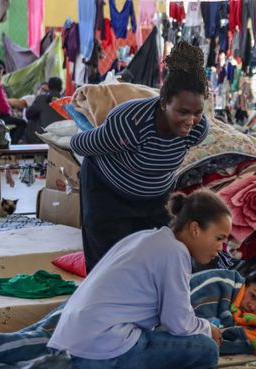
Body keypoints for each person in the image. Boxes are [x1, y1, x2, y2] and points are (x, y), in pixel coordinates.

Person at [47, 190, 231, 369]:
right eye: (219, 238)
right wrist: (209, 329)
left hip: (65, 350)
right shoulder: (175, 252)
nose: (221, 248)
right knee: (205, 348)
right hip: (94, 353)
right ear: (195, 229)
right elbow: (178, 323)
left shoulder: (145, 237)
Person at [70, 41, 210, 273]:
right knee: (109, 267)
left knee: (157, 261)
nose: (190, 120)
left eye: (197, 112)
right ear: (164, 103)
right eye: (183, 112)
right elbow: (82, 144)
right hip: (107, 192)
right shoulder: (130, 123)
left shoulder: (197, 129)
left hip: (155, 198)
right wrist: (74, 137)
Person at [24, 77, 65, 143]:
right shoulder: (66, 101)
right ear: (61, 88)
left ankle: (32, 149)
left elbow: (28, 114)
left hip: (43, 137)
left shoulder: (41, 98)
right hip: (63, 136)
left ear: (48, 87)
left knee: (32, 119)